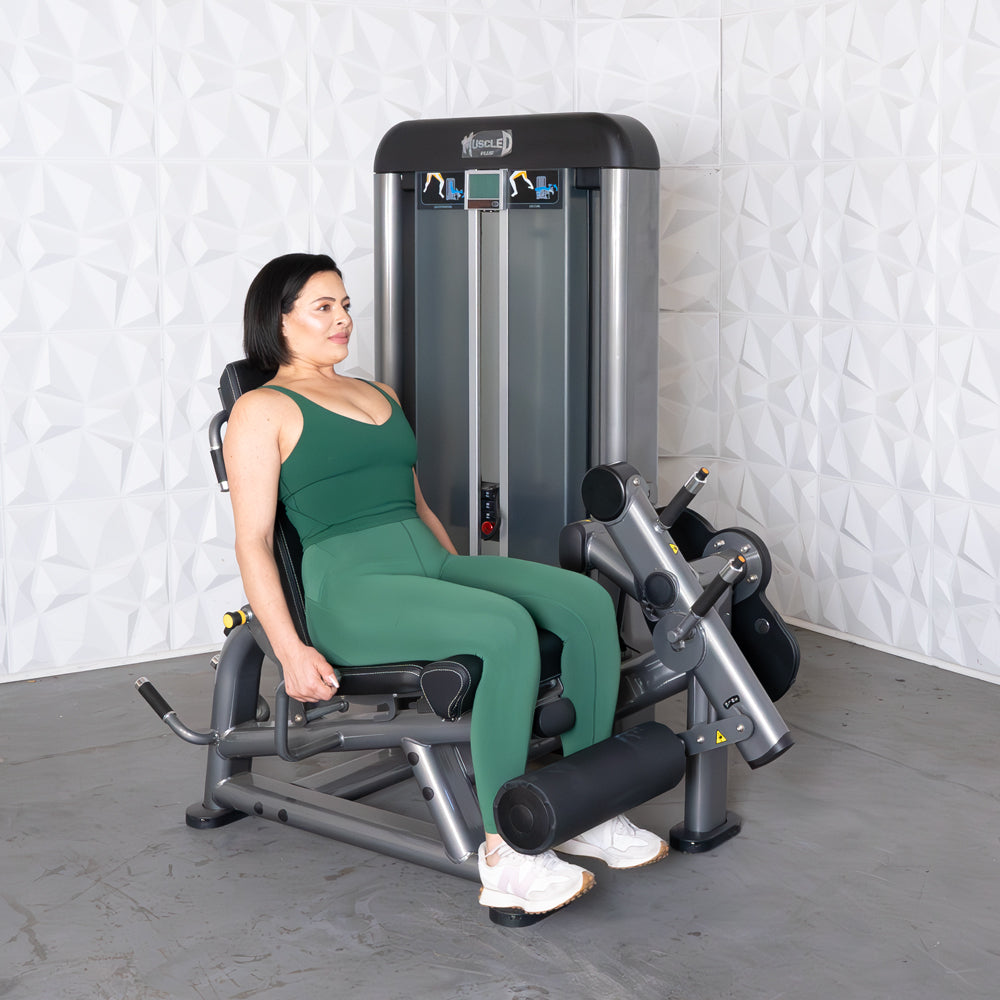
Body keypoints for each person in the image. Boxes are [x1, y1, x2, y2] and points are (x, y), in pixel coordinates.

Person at [224, 252, 668, 915]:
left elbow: (417, 505)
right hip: (351, 591)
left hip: (424, 561)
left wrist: (460, 581)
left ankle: (587, 808)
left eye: (346, 305)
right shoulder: (262, 410)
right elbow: (254, 541)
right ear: (279, 320)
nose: (343, 319)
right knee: (504, 628)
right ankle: (506, 849)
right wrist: (289, 650)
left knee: (583, 601)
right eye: (324, 307)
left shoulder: (379, 394)